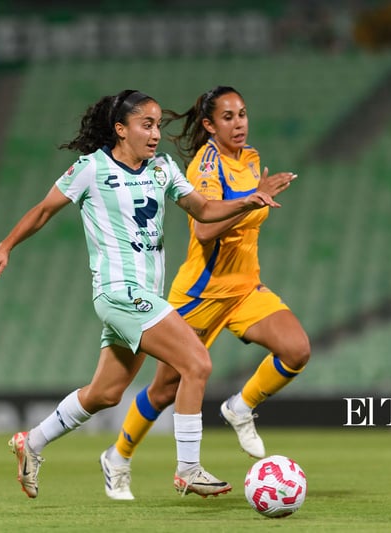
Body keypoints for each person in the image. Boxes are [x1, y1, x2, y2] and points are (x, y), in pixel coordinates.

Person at [0, 89, 295, 500]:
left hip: (145, 295)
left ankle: (32, 442)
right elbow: (43, 210)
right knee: (197, 363)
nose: (155, 135)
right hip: (117, 293)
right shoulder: (91, 169)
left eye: (157, 127)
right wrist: (4, 246)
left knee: (105, 394)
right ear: (120, 129)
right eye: (146, 126)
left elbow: (203, 210)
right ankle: (188, 469)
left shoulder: (162, 168)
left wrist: (248, 200)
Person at [98, 86, 310, 501]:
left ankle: (240, 407)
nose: (239, 123)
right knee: (162, 391)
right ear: (210, 125)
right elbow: (204, 229)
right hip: (199, 294)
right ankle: (117, 456)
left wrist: (256, 194)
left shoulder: (250, 159)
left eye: (243, 114)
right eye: (227, 117)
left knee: (296, 349)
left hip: (245, 287)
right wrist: (253, 201)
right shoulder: (205, 165)